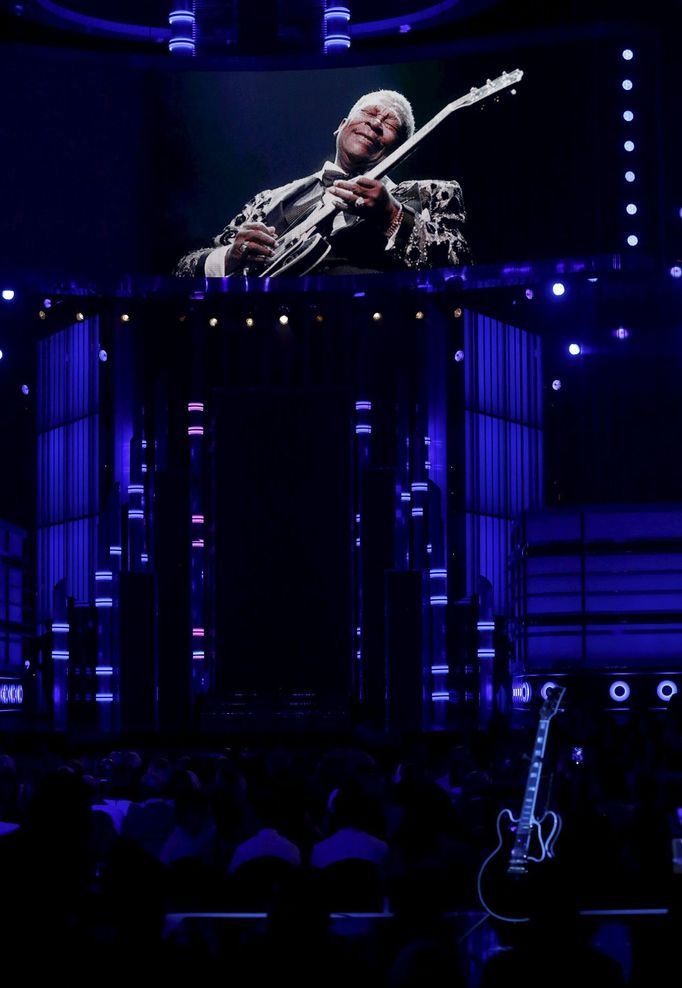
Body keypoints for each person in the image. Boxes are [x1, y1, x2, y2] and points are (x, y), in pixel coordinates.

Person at [175, 89, 470, 277]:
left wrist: (392, 216)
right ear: (341, 126)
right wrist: (230, 255)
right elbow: (185, 270)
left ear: (400, 150)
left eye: (392, 125)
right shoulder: (270, 199)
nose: (376, 123)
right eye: (369, 113)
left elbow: (459, 268)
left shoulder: (433, 195)